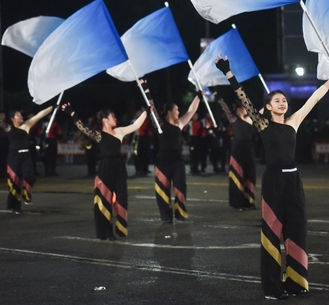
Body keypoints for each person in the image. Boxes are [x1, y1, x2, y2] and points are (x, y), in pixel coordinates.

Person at [216, 55, 329, 300]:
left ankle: (296, 282)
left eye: (284, 100)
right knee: (271, 232)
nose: (282, 103)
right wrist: (228, 72)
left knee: (297, 230)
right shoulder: (262, 125)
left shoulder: (293, 122)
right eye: (276, 101)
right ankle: (272, 287)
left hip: (294, 181)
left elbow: (315, 98)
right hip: (273, 182)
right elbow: (244, 99)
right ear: (268, 107)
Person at [62, 102, 147, 240]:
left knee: (122, 198)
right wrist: (72, 112)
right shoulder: (99, 135)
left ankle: (120, 228)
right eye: (112, 116)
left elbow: (136, 125)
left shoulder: (119, 132)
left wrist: (147, 110)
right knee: (104, 200)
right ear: (104, 119)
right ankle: (105, 232)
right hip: (105, 168)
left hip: (119, 167)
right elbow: (82, 127)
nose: (115, 118)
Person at [150, 88, 200, 223]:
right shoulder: (160, 124)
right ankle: (166, 217)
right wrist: (146, 90)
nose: (178, 111)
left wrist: (198, 96)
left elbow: (191, 110)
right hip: (162, 163)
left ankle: (180, 213)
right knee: (162, 190)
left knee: (180, 187)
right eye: (176, 109)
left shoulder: (180, 124)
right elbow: (152, 110)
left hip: (178, 162)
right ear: (170, 111)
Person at [4, 106, 53, 213]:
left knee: (30, 176)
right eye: (18, 115)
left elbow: (39, 115)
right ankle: (15, 207)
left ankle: (27, 193)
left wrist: (52, 107)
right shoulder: (9, 128)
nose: (21, 116)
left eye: (21, 115)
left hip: (26, 156)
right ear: (13, 119)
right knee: (15, 183)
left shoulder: (26, 125)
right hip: (14, 158)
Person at [217, 97, 257, 210]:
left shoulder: (250, 119)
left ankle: (249, 200)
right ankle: (238, 202)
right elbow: (226, 110)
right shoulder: (233, 119)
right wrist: (220, 99)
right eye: (244, 108)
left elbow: (255, 111)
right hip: (237, 150)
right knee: (238, 174)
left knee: (250, 174)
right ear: (239, 109)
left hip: (248, 149)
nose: (246, 110)